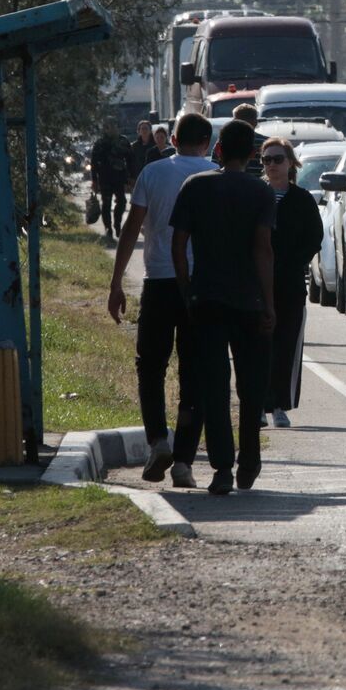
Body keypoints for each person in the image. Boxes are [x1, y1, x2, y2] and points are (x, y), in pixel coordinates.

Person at [107, 114, 218, 489]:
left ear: (172, 138)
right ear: (208, 142)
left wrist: (116, 282)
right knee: (194, 373)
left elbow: (131, 227)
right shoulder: (215, 175)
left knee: (150, 366)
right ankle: (184, 461)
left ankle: (158, 439)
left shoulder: (153, 173)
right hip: (199, 288)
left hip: (158, 282)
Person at [171, 119, 276, 495]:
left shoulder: (195, 187)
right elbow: (263, 250)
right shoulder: (261, 193)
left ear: (217, 150)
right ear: (252, 154)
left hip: (207, 301)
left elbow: (178, 246)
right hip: (249, 302)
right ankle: (250, 460)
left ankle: (222, 469)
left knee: (214, 388)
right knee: (251, 387)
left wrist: (187, 290)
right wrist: (269, 303)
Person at [260, 137, 323, 429]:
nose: (272, 165)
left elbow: (314, 237)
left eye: (277, 159)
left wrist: (294, 262)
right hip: (257, 284)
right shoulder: (256, 195)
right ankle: (258, 404)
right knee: (258, 345)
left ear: (290, 163)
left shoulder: (302, 199)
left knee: (286, 344)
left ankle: (279, 405)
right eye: (266, 159)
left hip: (290, 284)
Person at [90, 119, 135, 241]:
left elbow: (130, 159)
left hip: (119, 178)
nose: (111, 129)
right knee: (106, 203)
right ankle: (108, 228)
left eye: (113, 126)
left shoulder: (123, 141)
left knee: (121, 202)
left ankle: (117, 223)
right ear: (105, 129)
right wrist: (94, 180)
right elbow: (94, 163)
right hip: (104, 178)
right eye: (108, 127)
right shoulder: (100, 143)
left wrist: (131, 177)